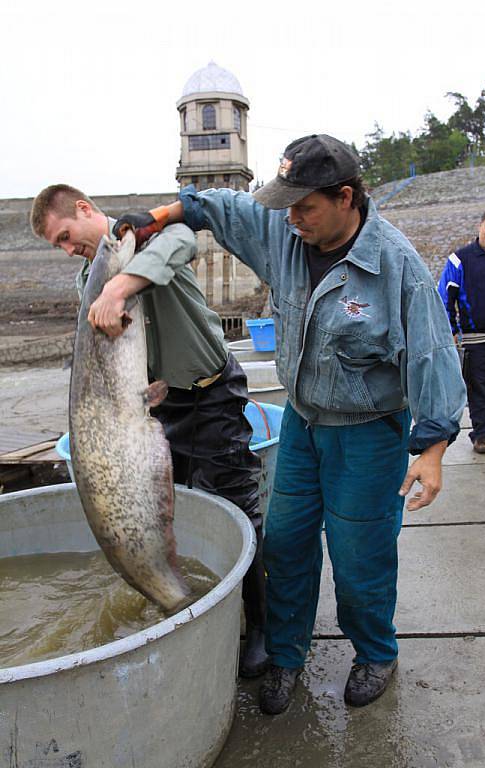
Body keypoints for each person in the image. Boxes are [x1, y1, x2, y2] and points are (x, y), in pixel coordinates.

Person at [113, 134, 467, 713]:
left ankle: (375, 651)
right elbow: (216, 207)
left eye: (304, 206)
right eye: (286, 205)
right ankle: (285, 657)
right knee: (285, 544)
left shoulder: (395, 266)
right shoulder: (284, 231)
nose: (291, 217)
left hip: (368, 434)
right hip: (303, 426)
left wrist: (431, 449)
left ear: (346, 197)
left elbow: (431, 356)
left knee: (359, 556)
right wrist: (156, 216)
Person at [29, 184, 268, 678]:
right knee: (175, 513)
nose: (69, 248)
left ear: (84, 208)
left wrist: (121, 287)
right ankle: (191, 602)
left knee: (239, 510)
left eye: (67, 236)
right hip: (159, 409)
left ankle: (263, 626)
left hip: (212, 395)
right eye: (59, 246)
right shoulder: (87, 283)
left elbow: (184, 239)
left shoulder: (146, 237)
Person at [438, 208, 485, 454]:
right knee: (479, 390)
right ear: (481, 226)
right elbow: (445, 297)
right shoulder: (459, 259)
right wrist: (450, 330)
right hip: (476, 339)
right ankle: (481, 436)